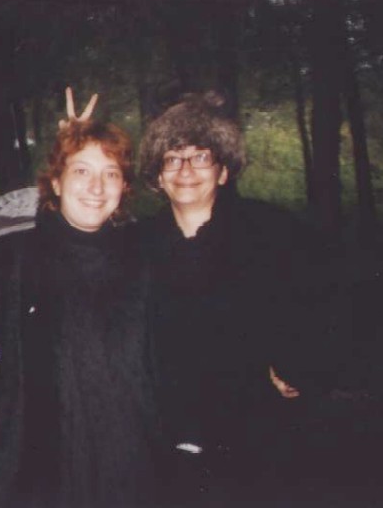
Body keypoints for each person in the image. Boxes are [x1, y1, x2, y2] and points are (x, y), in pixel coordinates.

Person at [0, 116, 161, 508]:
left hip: (128, 466)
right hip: (34, 470)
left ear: (124, 187)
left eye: (110, 173)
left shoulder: (146, 257)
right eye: (81, 170)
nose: (96, 187)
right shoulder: (12, 258)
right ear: (55, 182)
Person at [138, 91, 306, 503]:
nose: (186, 170)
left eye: (201, 156)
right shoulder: (133, 246)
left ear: (224, 171)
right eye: (173, 158)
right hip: (160, 441)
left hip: (252, 440)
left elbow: (323, 303)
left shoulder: (271, 232)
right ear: (158, 176)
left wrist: (299, 363)